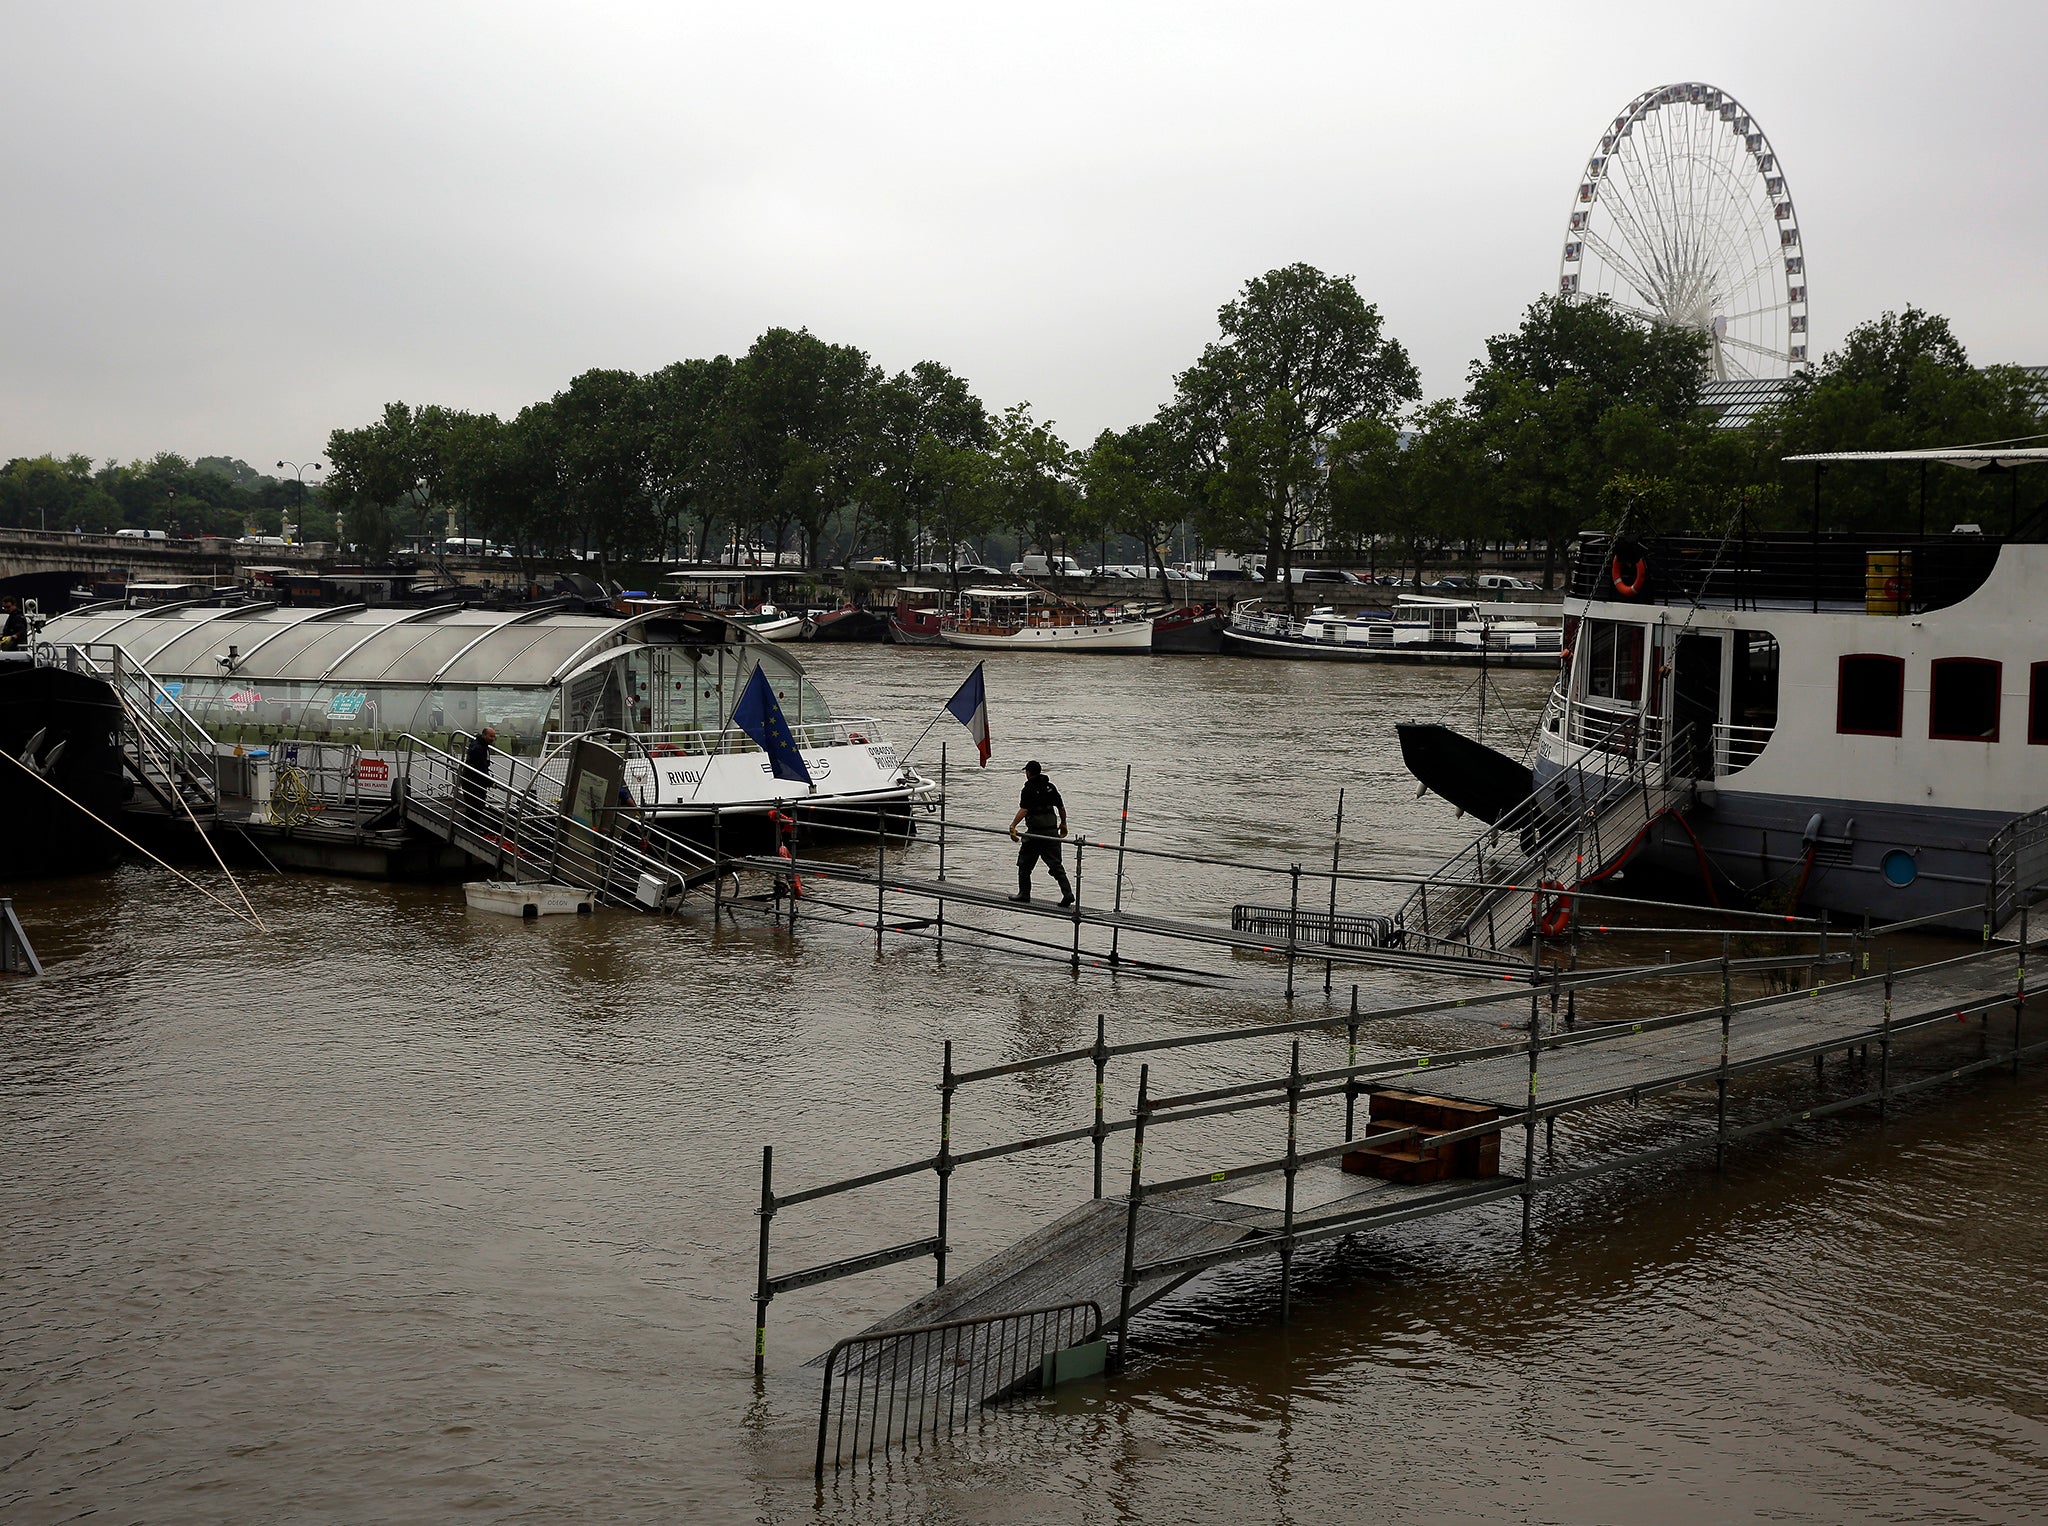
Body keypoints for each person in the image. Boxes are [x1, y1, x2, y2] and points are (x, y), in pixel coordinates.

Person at [1007, 759, 1073, 905]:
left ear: (1029, 773)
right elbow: (1061, 808)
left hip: (1035, 834)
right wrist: (1063, 823)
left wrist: (1013, 825)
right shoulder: (1050, 787)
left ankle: (1024, 894)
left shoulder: (1028, 789)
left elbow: (1024, 810)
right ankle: (1067, 894)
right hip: (1051, 832)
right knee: (1056, 866)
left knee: (1024, 864)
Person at [460, 725, 497, 822]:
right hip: (472, 780)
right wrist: (490, 782)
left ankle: (472, 823)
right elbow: (481, 767)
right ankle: (471, 825)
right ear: (484, 735)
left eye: (494, 737)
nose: (493, 739)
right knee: (475, 803)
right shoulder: (478, 748)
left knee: (477, 803)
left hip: (476, 779)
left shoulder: (481, 745)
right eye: (491, 736)